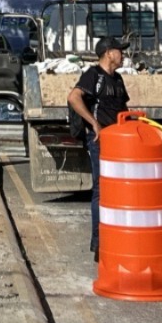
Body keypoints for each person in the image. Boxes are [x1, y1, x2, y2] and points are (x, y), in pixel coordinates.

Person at [67, 36, 130, 261]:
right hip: (100, 142)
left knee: (120, 190)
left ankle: (117, 234)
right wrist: (94, 124)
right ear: (108, 53)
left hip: (119, 143)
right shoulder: (93, 75)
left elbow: (123, 108)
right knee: (101, 190)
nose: (122, 55)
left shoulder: (118, 79)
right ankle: (99, 241)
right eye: (119, 51)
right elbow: (74, 97)